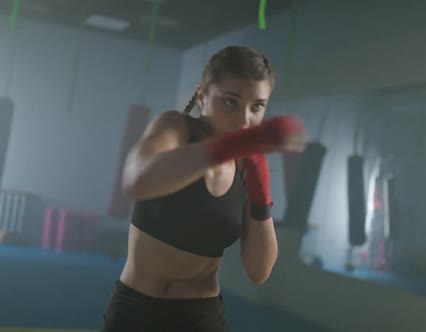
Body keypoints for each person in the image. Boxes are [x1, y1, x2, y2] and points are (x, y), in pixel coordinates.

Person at [102, 45, 305, 332]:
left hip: (200, 317)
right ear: (202, 96)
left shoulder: (249, 170)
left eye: (257, 106)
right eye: (231, 102)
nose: (244, 120)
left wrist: (261, 190)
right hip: (134, 309)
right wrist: (232, 146)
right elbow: (138, 180)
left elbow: (259, 271)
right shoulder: (175, 127)